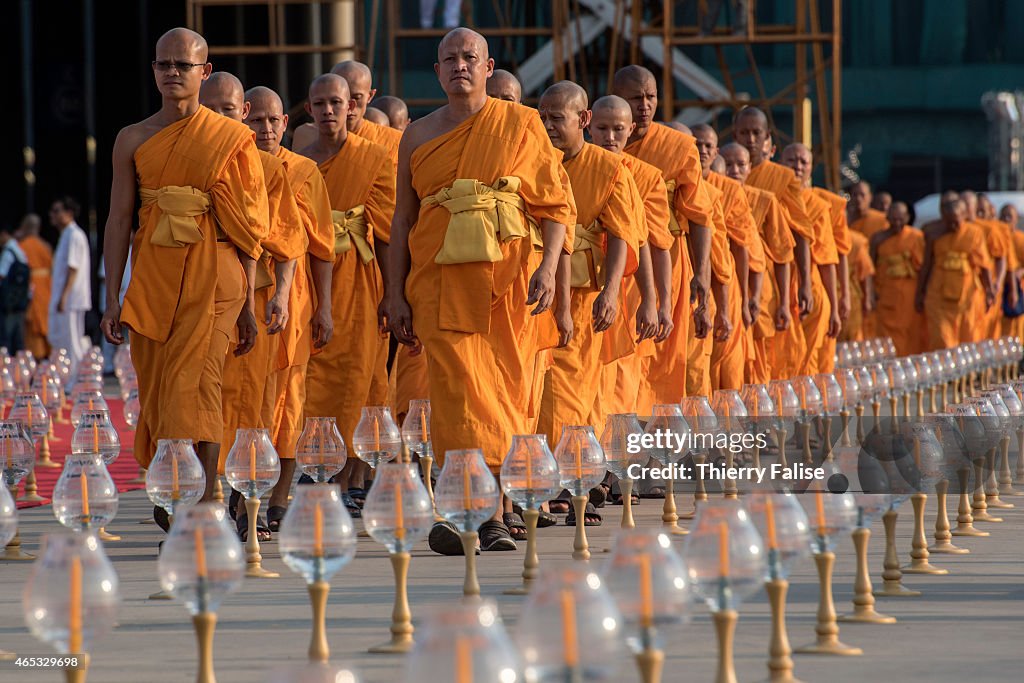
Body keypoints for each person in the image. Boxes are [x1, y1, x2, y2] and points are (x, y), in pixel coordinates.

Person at [386, 28, 575, 552]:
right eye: (449, 59)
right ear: (438, 71)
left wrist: (548, 268)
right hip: (439, 283)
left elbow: (555, 207)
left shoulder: (519, 125)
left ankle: (488, 513)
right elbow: (402, 219)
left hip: (510, 285)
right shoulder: (418, 136)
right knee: (456, 397)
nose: (459, 66)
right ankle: (470, 514)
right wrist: (394, 293)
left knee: (505, 396)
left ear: (488, 68)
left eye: (470, 57)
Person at [101, 28, 267, 512]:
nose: (172, 73)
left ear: (204, 72)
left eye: (183, 66)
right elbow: (118, 219)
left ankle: (204, 495)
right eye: (164, 65)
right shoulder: (132, 139)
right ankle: (178, 485)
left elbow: (251, 224)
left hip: (216, 274)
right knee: (158, 386)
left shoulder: (233, 138)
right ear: (153, 69)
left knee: (199, 381)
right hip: (154, 276)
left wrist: (250, 303)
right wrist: (112, 295)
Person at [200, 72, 307, 539]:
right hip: (197, 293)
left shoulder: (269, 170)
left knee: (256, 406)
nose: (221, 119)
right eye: (212, 110)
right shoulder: (178, 158)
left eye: (230, 111)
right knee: (200, 401)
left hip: (256, 296)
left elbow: (287, 241)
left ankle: (251, 506)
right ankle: (204, 500)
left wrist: (282, 294)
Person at [535, 82, 641, 524]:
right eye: (542, 118)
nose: (547, 127)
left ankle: (571, 479)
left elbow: (622, 234)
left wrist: (612, 292)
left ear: (581, 121)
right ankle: (548, 480)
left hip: (581, 293)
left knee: (574, 391)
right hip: (536, 286)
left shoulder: (608, 167)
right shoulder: (534, 160)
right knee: (538, 390)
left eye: (556, 119)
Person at [299, 73, 395, 519]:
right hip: (306, 273)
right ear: (309, 108)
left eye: (337, 102)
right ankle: (313, 469)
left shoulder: (373, 157)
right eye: (320, 104)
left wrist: (394, 293)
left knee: (356, 379)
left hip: (357, 275)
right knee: (309, 377)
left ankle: (344, 478)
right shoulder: (299, 156)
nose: (329, 111)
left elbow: (391, 233)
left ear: (352, 106)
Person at [245, 85, 336, 525]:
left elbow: (321, 248)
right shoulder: (233, 167)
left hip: (293, 299)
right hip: (240, 293)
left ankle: (278, 499)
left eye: (272, 120)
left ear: (285, 124)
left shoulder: (304, 171)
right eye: (256, 120)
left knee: (288, 400)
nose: (264, 129)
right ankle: (244, 497)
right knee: (245, 399)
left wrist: (325, 308)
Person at [611, 65, 715, 407]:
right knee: (619, 354)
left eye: (651, 97)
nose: (644, 105)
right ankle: (621, 439)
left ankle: (659, 444)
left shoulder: (679, 147)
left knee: (663, 355)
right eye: (635, 97)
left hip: (666, 258)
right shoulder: (605, 139)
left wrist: (701, 272)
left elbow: (699, 215)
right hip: (615, 257)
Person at [588, 95, 672, 415]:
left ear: (631, 129)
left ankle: (615, 460)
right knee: (584, 380)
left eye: (618, 129)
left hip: (626, 290)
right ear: (587, 126)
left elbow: (644, 240)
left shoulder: (643, 176)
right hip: (582, 281)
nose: (610, 137)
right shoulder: (570, 165)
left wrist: (653, 300)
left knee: (622, 381)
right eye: (603, 128)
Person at [733, 108, 814, 378]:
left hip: (767, 273)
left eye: (757, 133)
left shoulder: (782, 178)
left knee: (766, 347)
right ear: (735, 134)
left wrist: (804, 283)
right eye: (744, 132)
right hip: (730, 270)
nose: (750, 139)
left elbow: (799, 233)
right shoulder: (727, 172)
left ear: (767, 137)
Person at [719, 142, 795, 384]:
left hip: (759, 292)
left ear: (750, 168)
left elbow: (782, 253)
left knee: (758, 361)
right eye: (728, 164)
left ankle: (756, 415)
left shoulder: (764, 199)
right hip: (723, 286)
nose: (734, 170)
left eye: (740, 164)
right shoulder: (711, 194)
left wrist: (783, 302)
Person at [693, 125, 757, 390]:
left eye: (708, 146)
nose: (703, 151)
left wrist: (742, 300)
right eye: (697, 144)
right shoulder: (676, 183)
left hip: (725, 283)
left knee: (728, 369)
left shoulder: (728, 190)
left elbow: (741, 247)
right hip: (690, 282)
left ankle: (728, 425)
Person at [780, 143, 841, 374]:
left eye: (803, 162)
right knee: (783, 359)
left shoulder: (818, 206)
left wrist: (834, 308)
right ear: (780, 163)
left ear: (811, 168)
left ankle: (809, 408)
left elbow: (827, 260)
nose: (797, 166)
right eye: (791, 160)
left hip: (812, 290)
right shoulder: (773, 196)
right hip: (779, 285)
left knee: (809, 362)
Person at [916, 193, 993, 349]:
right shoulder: (933, 235)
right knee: (942, 340)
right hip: (938, 295)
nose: (953, 227)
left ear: (964, 216)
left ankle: (968, 374)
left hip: (967, 295)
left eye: (956, 222)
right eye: (948, 222)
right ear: (943, 218)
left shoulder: (974, 233)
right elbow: (926, 265)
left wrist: (989, 289)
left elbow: (984, 264)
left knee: (968, 338)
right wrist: (919, 292)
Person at [869, 201, 925, 355]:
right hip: (885, 293)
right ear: (887, 218)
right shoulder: (878, 239)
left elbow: (921, 268)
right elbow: (870, 267)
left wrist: (921, 293)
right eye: (893, 219)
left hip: (909, 294)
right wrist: (871, 292)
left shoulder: (915, 236)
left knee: (910, 332)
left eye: (900, 219)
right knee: (886, 336)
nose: (897, 223)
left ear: (907, 218)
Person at [48, 196, 92, 372]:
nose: (53, 215)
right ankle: (70, 378)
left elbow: (73, 268)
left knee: (72, 341)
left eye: (57, 211)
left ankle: (75, 379)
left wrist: (64, 296)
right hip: (66, 296)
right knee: (64, 340)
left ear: (69, 213)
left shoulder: (74, 235)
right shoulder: (66, 235)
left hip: (71, 298)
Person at [14, 214, 51, 359]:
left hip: (33, 287)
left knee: (32, 323)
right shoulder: (45, 245)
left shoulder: (22, 246)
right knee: (43, 320)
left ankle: (35, 355)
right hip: (48, 286)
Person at [0, 225, 30, 352]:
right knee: (18, 336)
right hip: (20, 300)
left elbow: (2, 274)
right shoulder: (19, 250)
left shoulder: (8, 252)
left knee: (6, 336)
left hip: (8, 301)